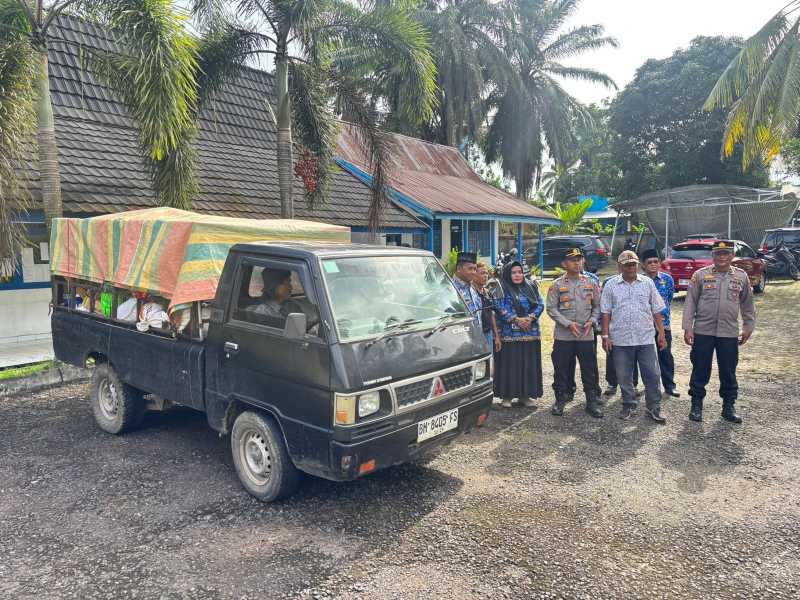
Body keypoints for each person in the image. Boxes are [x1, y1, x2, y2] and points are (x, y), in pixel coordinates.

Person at [682, 240, 756, 423]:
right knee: (700, 368)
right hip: (703, 331)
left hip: (729, 332)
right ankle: (696, 405)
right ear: (712, 256)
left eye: (726, 254)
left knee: (729, 370)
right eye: (718, 254)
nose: (722, 257)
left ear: (732, 256)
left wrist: (748, 326)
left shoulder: (741, 276)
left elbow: (747, 304)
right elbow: (690, 302)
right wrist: (688, 327)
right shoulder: (700, 275)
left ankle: (728, 407)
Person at [601, 250, 668, 423]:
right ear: (619, 266)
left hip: (645, 338)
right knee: (624, 376)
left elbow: (656, 309)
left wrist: (661, 333)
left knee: (652, 374)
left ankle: (654, 408)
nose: (631, 267)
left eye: (633, 264)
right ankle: (629, 404)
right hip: (620, 339)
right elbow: (606, 312)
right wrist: (605, 335)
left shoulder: (647, 283)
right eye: (627, 264)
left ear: (638, 265)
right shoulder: (610, 285)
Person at [546, 248, 603, 418]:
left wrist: (592, 320)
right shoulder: (556, 285)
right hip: (564, 336)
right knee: (561, 368)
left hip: (585, 335)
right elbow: (551, 308)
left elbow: (597, 306)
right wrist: (567, 323)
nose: (577, 263)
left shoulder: (590, 282)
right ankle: (560, 400)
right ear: (564, 264)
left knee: (589, 369)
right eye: (572, 260)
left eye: (579, 259)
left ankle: (591, 401)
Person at [494, 261, 544, 409]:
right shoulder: (501, 287)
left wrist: (530, 318)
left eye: (520, 272)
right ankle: (507, 396)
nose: (517, 275)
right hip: (510, 334)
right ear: (508, 274)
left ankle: (525, 395)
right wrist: (516, 319)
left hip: (530, 332)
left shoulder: (531, 286)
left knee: (527, 364)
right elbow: (498, 306)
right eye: (513, 272)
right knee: (510, 365)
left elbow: (540, 303)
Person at [640, 248, 679, 399]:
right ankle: (648, 386)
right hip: (644, 326)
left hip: (663, 325)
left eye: (656, 261)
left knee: (666, 356)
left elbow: (668, 300)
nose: (653, 265)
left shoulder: (667, 279)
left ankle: (669, 386)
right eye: (649, 262)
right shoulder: (639, 280)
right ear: (643, 265)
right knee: (645, 358)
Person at [474, 263, 502, 354]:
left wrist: (496, 336)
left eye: (486, 273)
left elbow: (492, 314)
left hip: (488, 333)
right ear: (474, 275)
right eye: (482, 273)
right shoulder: (471, 293)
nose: (486, 276)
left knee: (489, 362)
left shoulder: (487, 293)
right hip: (475, 334)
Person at [451, 252, 483, 330]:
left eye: (475, 269)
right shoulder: (450, 288)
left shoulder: (472, 288)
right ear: (458, 268)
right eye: (470, 268)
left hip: (477, 337)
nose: (473, 272)